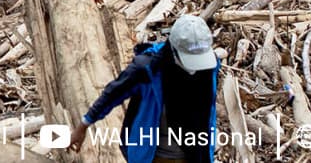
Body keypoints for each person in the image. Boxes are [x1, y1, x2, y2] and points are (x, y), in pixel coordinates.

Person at [68, 15, 220, 163]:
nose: (196, 69)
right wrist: (83, 126)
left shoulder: (209, 68)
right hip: (154, 155)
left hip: (194, 154)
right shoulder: (148, 69)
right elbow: (113, 94)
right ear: (173, 50)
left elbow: (209, 111)